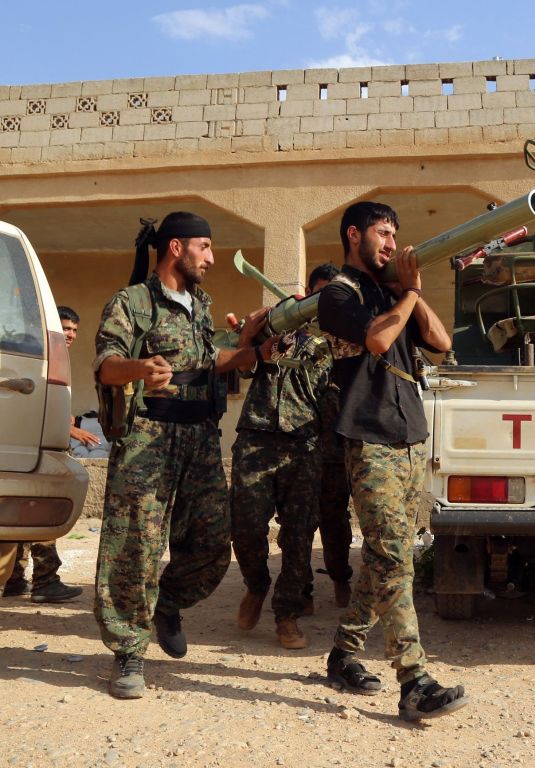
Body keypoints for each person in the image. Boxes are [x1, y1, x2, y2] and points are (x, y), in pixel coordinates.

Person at [93, 212, 276, 699]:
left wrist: (255, 352)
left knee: (215, 542)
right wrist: (138, 368)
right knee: (135, 546)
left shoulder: (200, 305)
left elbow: (210, 361)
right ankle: (129, 651)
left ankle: (166, 603)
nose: (212, 259)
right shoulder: (131, 302)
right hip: (148, 438)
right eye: (205, 248)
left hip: (198, 437)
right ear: (176, 248)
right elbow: (107, 364)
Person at [316, 201, 467, 721]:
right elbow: (379, 339)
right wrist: (408, 295)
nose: (389, 243)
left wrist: (411, 292)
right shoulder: (339, 293)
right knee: (393, 557)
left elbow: (442, 344)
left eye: (393, 234)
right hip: (369, 437)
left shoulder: (392, 294)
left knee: (388, 553)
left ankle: (342, 654)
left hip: (407, 437)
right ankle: (414, 679)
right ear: (354, 235)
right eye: (382, 233)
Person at [232, 270, 333, 649]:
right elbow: (242, 367)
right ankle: (256, 585)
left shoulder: (330, 347)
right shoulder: (270, 328)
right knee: (244, 526)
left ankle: (287, 615)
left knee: (299, 537)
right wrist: (248, 335)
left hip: (303, 445)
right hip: (256, 439)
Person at [3, 306, 94, 603]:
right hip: (33, 447)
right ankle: (44, 581)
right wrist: (69, 430)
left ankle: (16, 578)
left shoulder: (50, 356)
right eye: (65, 328)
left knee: (20, 516)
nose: (69, 335)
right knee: (40, 510)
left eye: (73, 331)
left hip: (30, 447)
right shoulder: (38, 357)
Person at [301, 263, 354, 613]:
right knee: (297, 525)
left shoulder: (347, 334)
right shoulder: (297, 338)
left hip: (335, 449)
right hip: (299, 448)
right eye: (319, 294)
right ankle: (300, 592)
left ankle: (340, 579)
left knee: (335, 524)